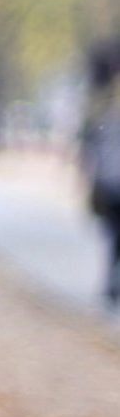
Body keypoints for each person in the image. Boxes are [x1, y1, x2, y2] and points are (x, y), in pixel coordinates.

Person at [80, 40, 120, 308]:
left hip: (108, 183)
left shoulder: (105, 113)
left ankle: (110, 280)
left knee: (114, 235)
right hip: (110, 185)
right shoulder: (106, 114)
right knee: (114, 234)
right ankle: (110, 280)